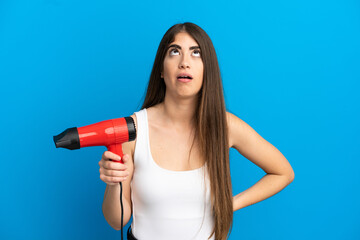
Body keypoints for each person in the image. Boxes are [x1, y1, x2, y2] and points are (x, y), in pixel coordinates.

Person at [98, 22, 295, 240]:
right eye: (174, 52)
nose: (184, 63)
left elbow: (283, 172)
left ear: (207, 70)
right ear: (161, 70)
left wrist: (228, 205)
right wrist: (112, 183)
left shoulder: (225, 126)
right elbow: (116, 220)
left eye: (196, 53)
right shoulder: (133, 129)